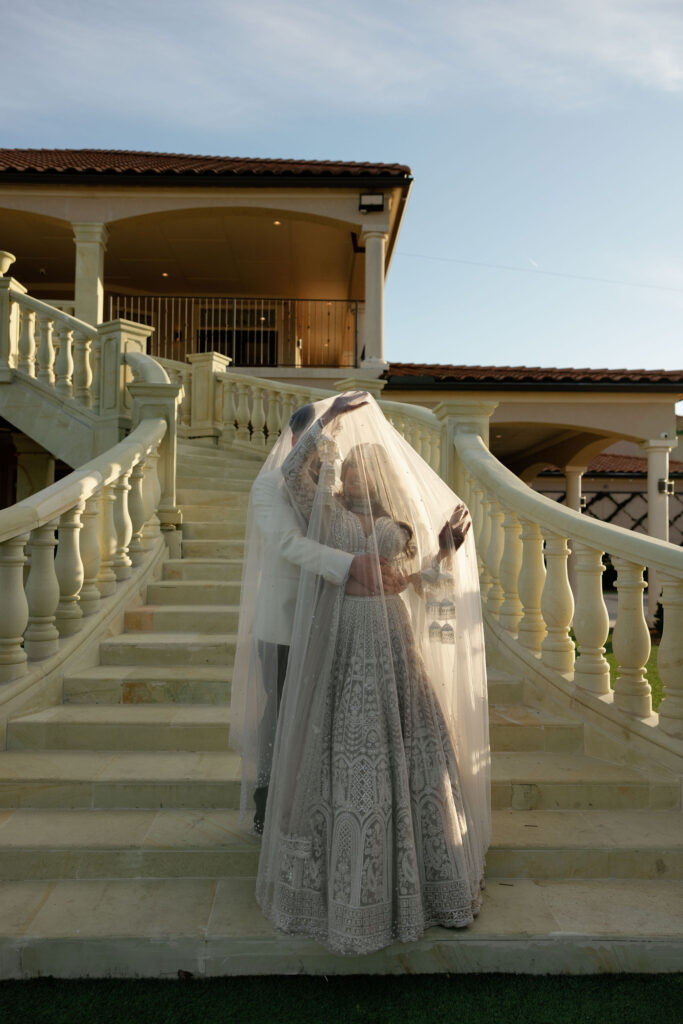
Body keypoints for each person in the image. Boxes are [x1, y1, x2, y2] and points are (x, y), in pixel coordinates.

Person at [250, 391, 490, 956]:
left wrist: (445, 553)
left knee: (411, 751)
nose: (353, 468)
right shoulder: (323, 512)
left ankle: (424, 880)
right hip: (341, 640)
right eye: (347, 462)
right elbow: (290, 470)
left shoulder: (395, 526)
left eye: (363, 464)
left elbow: (417, 582)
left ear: (378, 473)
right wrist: (328, 420)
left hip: (393, 643)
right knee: (340, 750)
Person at [230, 403, 406, 833]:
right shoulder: (269, 486)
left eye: (330, 443)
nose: (324, 451)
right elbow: (290, 544)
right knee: (281, 714)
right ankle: (267, 802)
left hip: (332, 619)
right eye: (317, 441)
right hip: (286, 622)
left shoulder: (330, 492)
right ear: (295, 440)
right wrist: (352, 565)